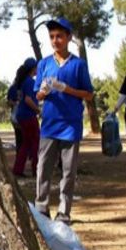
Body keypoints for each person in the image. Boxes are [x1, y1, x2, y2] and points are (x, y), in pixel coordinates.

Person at [34, 17, 94, 225]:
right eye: (52, 37)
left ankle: (63, 212)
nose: (55, 40)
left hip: (70, 125)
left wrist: (66, 89)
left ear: (68, 37)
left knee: (68, 171)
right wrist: (44, 91)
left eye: (59, 36)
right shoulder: (44, 64)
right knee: (43, 167)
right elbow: (37, 96)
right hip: (49, 125)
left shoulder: (78, 65)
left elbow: (88, 94)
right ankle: (41, 207)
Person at [11, 57, 40, 178]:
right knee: (35, 142)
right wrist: (38, 110)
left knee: (26, 143)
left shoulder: (22, 82)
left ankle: (18, 169)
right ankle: (36, 169)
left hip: (22, 116)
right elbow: (28, 99)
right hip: (28, 116)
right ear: (33, 68)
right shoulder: (29, 82)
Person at [7, 80, 23, 151]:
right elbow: (9, 101)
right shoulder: (13, 88)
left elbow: (9, 102)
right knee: (20, 135)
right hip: (17, 115)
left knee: (21, 136)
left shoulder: (13, 88)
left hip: (19, 116)